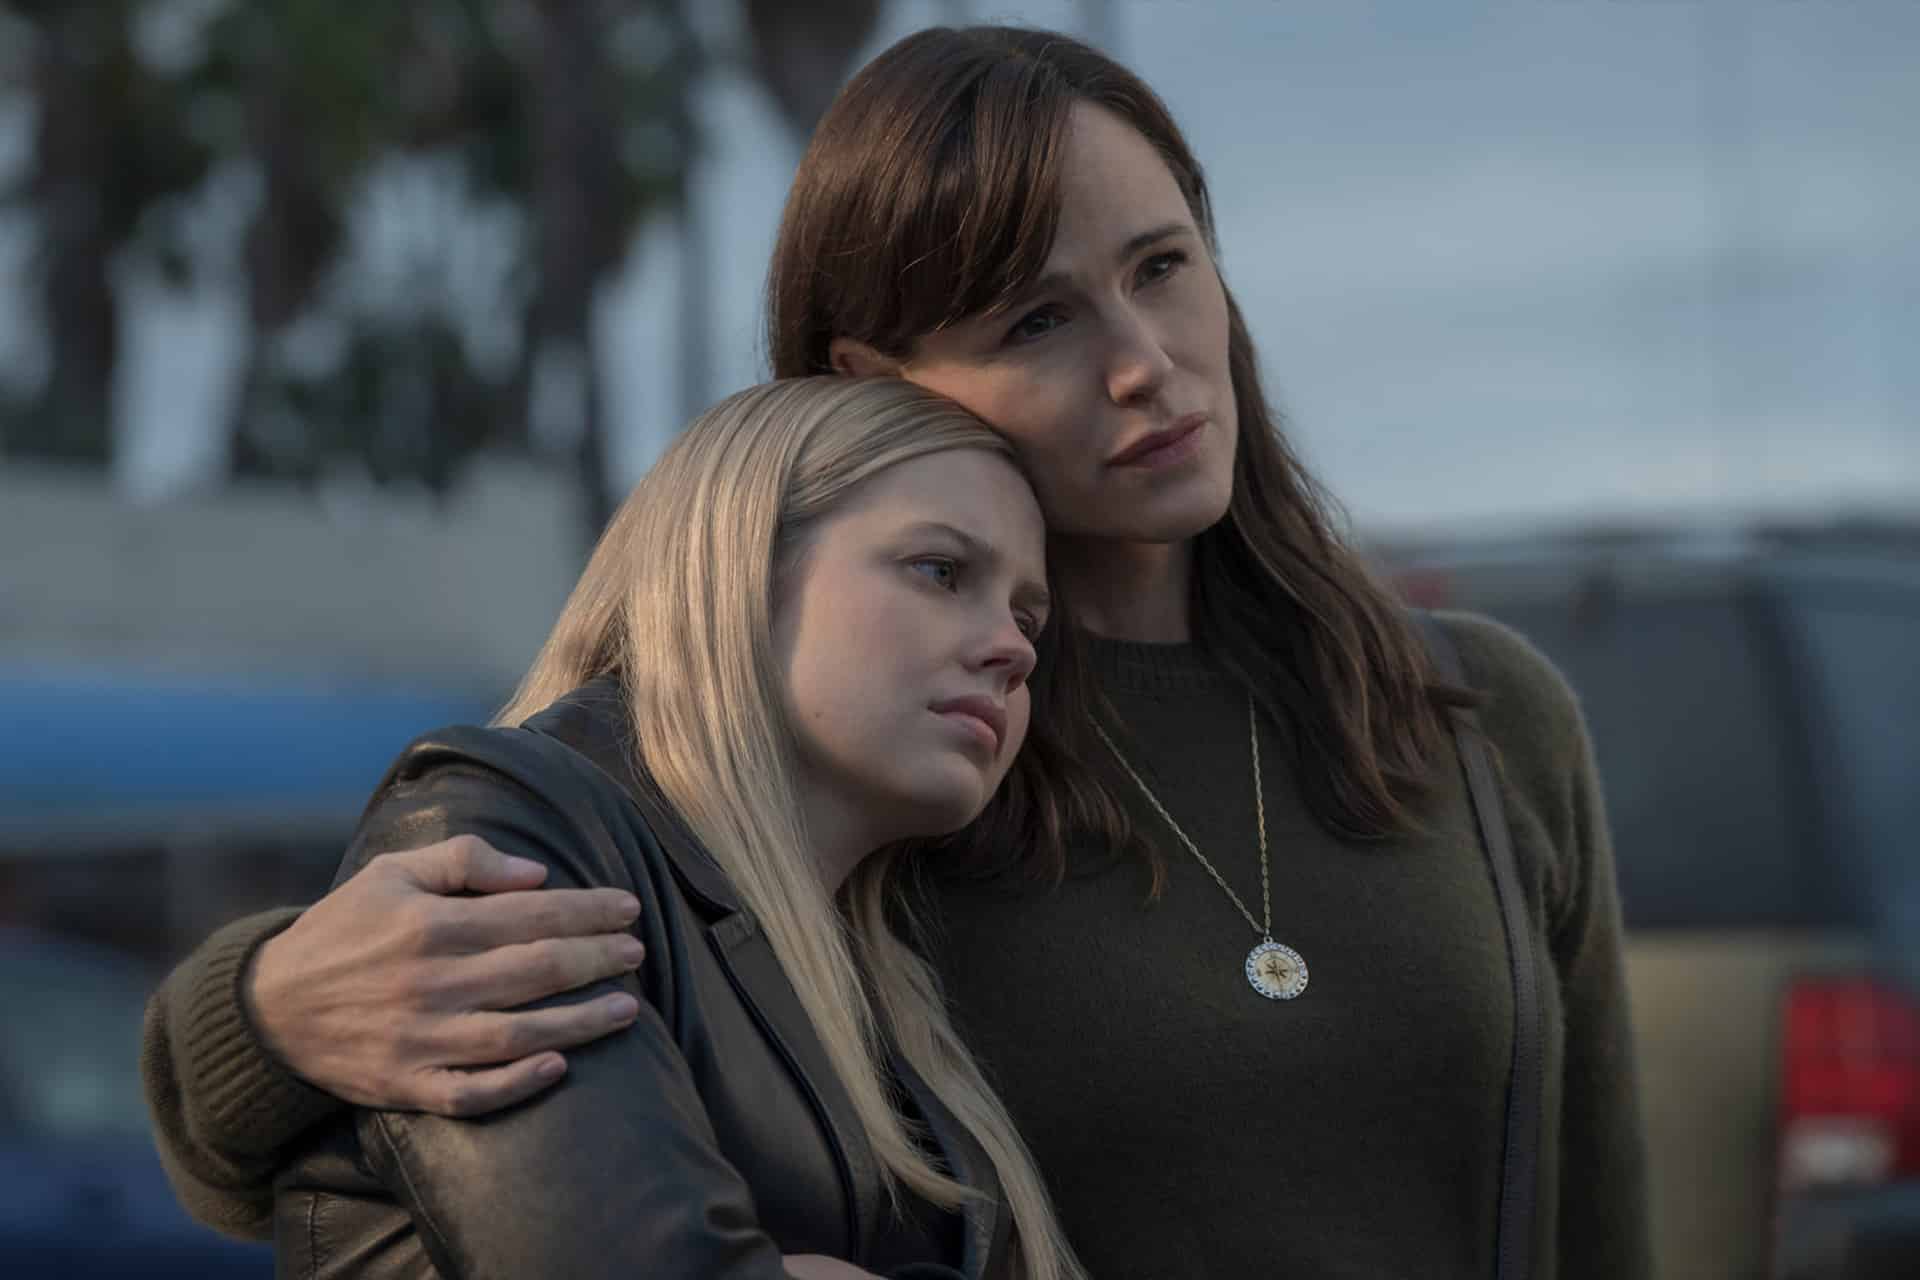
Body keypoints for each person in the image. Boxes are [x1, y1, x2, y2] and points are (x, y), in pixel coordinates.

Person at [142, 25, 1651, 1280]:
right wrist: (261, 1010)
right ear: (877, 384)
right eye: (1040, 319)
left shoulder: (1479, 717)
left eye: (1165, 265)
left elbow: (1601, 1226)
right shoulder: (871, 746)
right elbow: (439, 1117)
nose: (1144, 360)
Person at [189, 375, 1087, 1280]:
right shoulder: (507, 826)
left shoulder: (884, 975)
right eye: (942, 571)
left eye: (1026, 616)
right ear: (739, 565)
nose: (1014, 650)